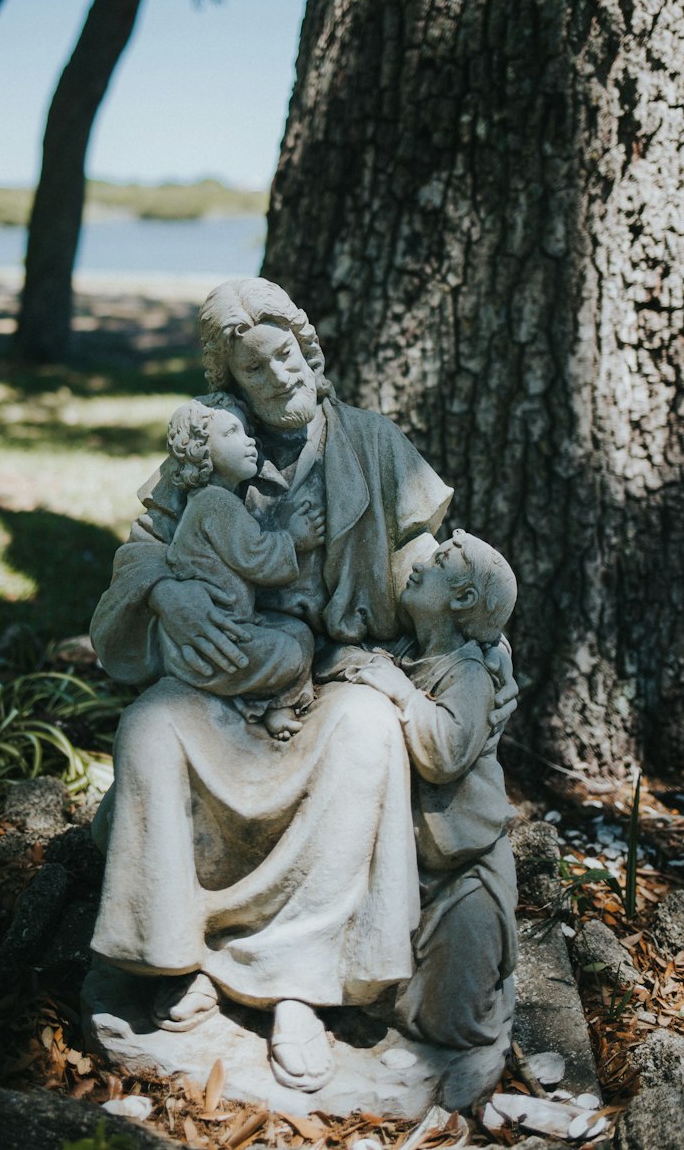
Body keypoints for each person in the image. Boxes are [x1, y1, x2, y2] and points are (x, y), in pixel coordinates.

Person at [89, 278, 517, 1093]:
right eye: (257, 370)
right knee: (152, 726)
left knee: (365, 731)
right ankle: (173, 959)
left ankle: (301, 986)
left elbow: (449, 569)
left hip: (334, 679)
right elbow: (144, 544)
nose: (280, 378)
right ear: (232, 384)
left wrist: (484, 666)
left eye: (286, 356)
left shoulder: (373, 448)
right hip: (225, 682)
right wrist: (165, 588)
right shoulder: (212, 447)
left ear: (308, 351)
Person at [333, 529, 519, 1107]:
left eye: (440, 562)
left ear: (463, 599)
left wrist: (398, 693)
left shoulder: (466, 673)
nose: (421, 564)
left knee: (448, 1020)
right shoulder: (411, 653)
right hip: (407, 862)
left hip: (463, 868)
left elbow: (444, 754)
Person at [161, 393, 321, 740]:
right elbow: (258, 558)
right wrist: (294, 538)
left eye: (248, 432)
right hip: (212, 641)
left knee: (297, 634)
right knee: (289, 652)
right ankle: (255, 704)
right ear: (200, 450)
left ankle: (277, 706)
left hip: (235, 623)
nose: (250, 441)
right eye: (232, 433)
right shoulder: (217, 504)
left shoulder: (217, 500)